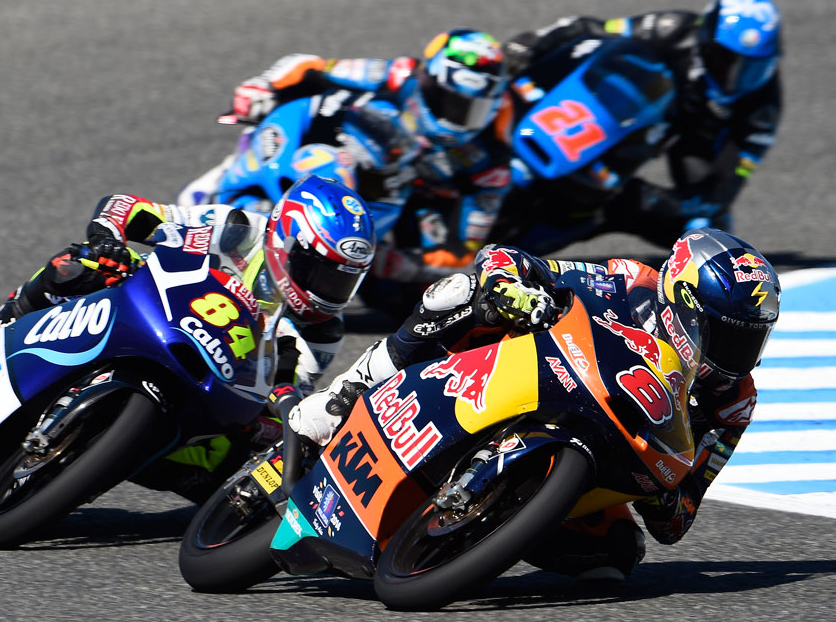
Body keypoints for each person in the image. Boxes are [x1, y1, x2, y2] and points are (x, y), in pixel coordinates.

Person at [290, 227, 780, 580]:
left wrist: (666, 486)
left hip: (602, 458)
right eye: (728, 336)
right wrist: (515, 290)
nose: (737, 357)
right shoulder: (629, 281)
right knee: (461, 294)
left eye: (751, 341)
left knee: (615, 557)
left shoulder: (732, 404)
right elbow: (513, 261)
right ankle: (349, 392)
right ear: (684, 305)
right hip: (525, 374)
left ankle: (470, 537)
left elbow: (677, 521)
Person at [0, 174, 376, 502]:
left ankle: (99, 461)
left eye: (344, 280)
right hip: (154, 317)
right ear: (287, 243)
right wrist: (110, 238)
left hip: (209, 388)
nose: (328, 291)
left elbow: (292, 394)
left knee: (217, 469)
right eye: (320, 272)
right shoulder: (241, 230)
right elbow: (132, 210)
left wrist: (269, 418)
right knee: (78, 266)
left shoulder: (322, 331)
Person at [188, 28, 513, 285]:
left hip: (407, 200)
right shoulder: (401, 74)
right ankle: (241, 171)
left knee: (428, 266)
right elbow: (309, 66)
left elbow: (465, 248)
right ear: (430, 81)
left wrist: (408, 265)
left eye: (473, 109)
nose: (459, 119)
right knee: (289, 104)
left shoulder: (489, 156)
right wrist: (262, 86)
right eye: (454, 104)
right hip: (349, 151)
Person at [501, 0, 783, 250]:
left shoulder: (764, 106)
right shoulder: (671, 28)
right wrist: (532, 44)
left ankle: (598, 213)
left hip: (697, 140)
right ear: (705, 39)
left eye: (753, 69)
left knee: (708, 229)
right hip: (629, 110)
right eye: (725, 59)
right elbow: (590, 28)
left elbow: (726, 184)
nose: (736, 78)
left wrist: (657, 200)